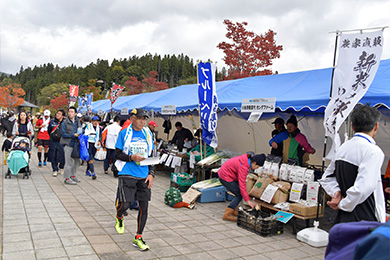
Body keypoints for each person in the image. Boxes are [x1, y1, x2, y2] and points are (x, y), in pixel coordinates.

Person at [320, 104, 385, 224]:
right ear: (376, 125)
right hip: (365, 216)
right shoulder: (373, 151)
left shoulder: (343, 148)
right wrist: (343, 204)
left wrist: (336, 192)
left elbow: (327, 178)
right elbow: (365, 187)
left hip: (344, 216)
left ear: (352, 126)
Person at [114, 108, 154, 251]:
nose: (143, 122)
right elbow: (117, 154)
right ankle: (119, 216)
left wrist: (151, 174)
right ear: (132, 119)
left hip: (143, 175)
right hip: (127, 173)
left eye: (145, 119)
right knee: (125, 204)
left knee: (144, 208)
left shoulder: (148, 134)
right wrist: (132, 157)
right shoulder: (124, 133)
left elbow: (152, 155)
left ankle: (138, 237)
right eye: (140, 119)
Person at [218, 153, 266, 222]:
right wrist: (248, 201)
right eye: (257, 167)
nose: (256, 168)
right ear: (254, 163)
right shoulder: (244, 167)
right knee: (239, 195)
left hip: (227, 174)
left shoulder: (245, 160)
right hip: (225, 176)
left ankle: (234, 210)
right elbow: (242, 185)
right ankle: (227, 214)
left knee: (239, 192)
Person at [60, 107, 82, 185]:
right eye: (69, 112)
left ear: (75, 113)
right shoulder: (64, 122)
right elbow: (63, 134)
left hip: (76, 144)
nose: (70, 113)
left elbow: (80, 129)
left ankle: (73, 175)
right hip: (68, 144)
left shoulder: (78, 121)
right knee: (68, 162)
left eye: (72, 112)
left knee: (77, 161)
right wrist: (73, 135)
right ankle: (66, 178)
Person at [84, 115, 102, 180]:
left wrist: (99, 141)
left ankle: (87, 170)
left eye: (97, 121)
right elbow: (84, 133)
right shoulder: (88, 127)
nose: (95, 122)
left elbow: (100, 136)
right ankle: (93, 172)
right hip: (89, 144)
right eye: (94, 121)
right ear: (91, 121)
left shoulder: (99, 128)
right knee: (90, 158)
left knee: (91, 158)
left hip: (95, 144)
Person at [48, 110, 65, 177]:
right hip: (53, 141)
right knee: (53, 155)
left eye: (59, 114)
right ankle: (55, 169)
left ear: (62, 116)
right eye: (57, 113)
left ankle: (61, 167)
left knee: (62, 155)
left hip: (61, 141)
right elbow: (49, 130)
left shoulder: (65, 122)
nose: (57, 115)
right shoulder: (52, 122)